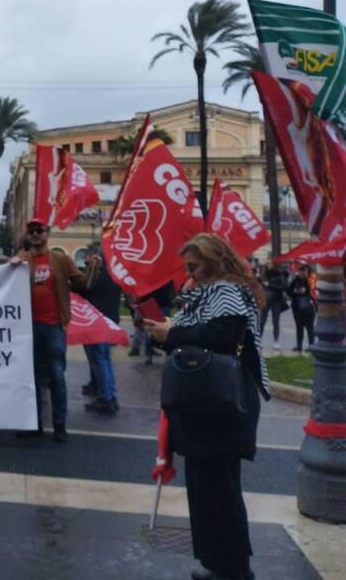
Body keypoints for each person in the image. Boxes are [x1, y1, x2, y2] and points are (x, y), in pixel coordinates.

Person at [142, 234, 269, 580]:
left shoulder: (226, 291)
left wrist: (173, 334)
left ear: (215, 260)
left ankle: (236, 571)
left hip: (220, 405)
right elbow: (196, 345)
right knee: (205, 489)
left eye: (194, 266)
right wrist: (167, 333)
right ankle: (218, 564)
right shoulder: (204, 294)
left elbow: (225, 338)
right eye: (188, 267)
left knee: (220, 491)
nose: (191, 273)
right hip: (204, 402)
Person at [11, 218, 88, 442]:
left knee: (56, 376)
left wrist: (92, 267)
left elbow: (82, 283)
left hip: (54, 326)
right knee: (32, 377)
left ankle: (59, 425)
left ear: (47, 233)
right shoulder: (23, 260)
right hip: (29, 328)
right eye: (32, 231)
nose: (35, 234)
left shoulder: (61, 260)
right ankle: (34, 424)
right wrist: (12, 264)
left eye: (39, 231)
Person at [80, 245, 121, 415]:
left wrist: (88, 270)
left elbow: (84, 288)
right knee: (105, 359)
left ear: (94, 257)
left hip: (95, 322)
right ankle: (111, 396)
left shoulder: (95, 275)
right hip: (110, 321)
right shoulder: (113, 275)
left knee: (99, 360)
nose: (85, 260)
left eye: (87, 256)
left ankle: (105, 398)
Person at [260, 260, 288, 350]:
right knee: (262, 321)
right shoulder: (263, 274)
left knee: (275, 321)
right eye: (268, 264)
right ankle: (259, 341)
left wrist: (270, 285)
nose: (269, 265)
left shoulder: (280, 275)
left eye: (271, 264)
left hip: (276, 300)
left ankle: (276, 341)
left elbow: (283, 287)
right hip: (266, 300)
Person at [288, 264, 316, 352]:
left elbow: (314, 291)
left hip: (309, 307)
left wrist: (306, 291)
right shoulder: (296, 280)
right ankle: (299, 345)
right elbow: (288, 290)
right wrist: (295, 292)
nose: (301, 272)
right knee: (299, 326)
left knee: (309, 327)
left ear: (307, 271)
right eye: (300, 270)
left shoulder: (311, 280)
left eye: (303, 270)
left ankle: (311, 345)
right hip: (297, 307)